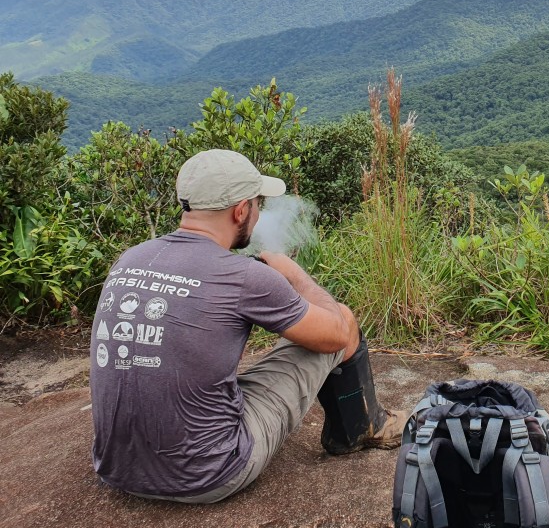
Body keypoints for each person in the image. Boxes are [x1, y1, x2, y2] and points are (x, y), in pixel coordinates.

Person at [89, 148, 404, 504]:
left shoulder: (130, 258)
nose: (258, 212)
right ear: (241, 210)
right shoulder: (245, 276)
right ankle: (363, 429)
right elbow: (335, 335)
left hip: (117, 468)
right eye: (257, 203)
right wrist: (295, 276)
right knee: (342, 318)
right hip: (209, 474)